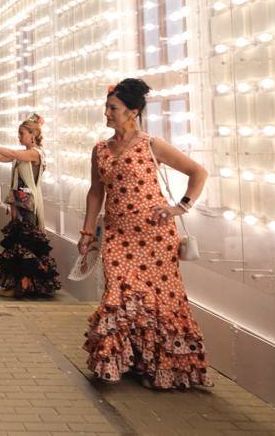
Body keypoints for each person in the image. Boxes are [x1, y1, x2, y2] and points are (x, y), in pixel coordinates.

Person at [80, 78, 211, 389]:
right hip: (116, 235)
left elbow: (198, 172)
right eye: (107, 108)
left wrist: (180, 207)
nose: (107, 114)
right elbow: (95, 192)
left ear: (133, 112)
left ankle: (157, 365)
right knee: (118, 296)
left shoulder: (151, 145)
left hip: (154, 237)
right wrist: (87, 231)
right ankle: (120, 362)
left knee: (158, 300)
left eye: (113, 109)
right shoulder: (100, 150)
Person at [0, 114, 61, 297]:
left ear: (33, 135)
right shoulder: (24, 155)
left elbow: (10, 154)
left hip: (28, 203)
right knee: (19, 242)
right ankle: (20, 283)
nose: (19, 137)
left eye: (21, 133)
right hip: (20, 202)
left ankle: (25, 284)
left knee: (25, 241)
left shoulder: (35, 153)